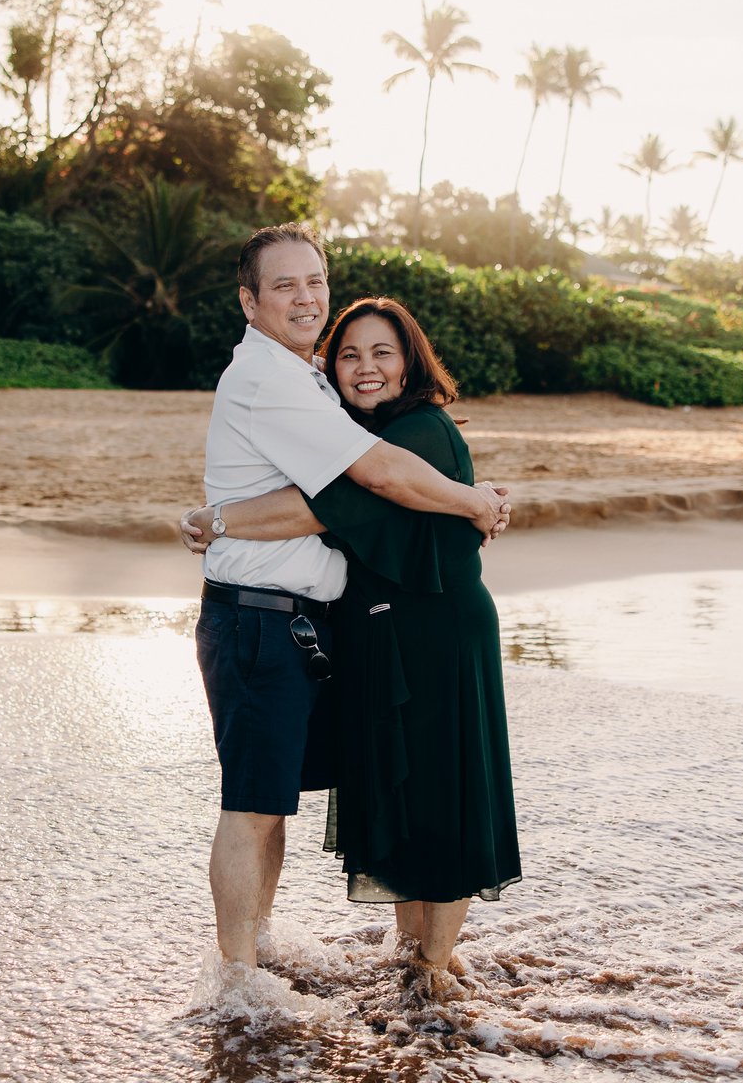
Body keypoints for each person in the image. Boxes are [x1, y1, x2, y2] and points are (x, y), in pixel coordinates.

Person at [192, 224, 510, 975]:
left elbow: (328, 498)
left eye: (314, 282)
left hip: (301, 627)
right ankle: (238, 979)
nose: (305, 298)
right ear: (249, 299)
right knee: (254, 806)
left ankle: (260, 954)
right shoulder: (271, 377)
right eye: (284, 285)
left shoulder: (306, 380)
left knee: (271, 807)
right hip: (260, 619)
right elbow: (367, 484)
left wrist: (219, 515)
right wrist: (473, 500)